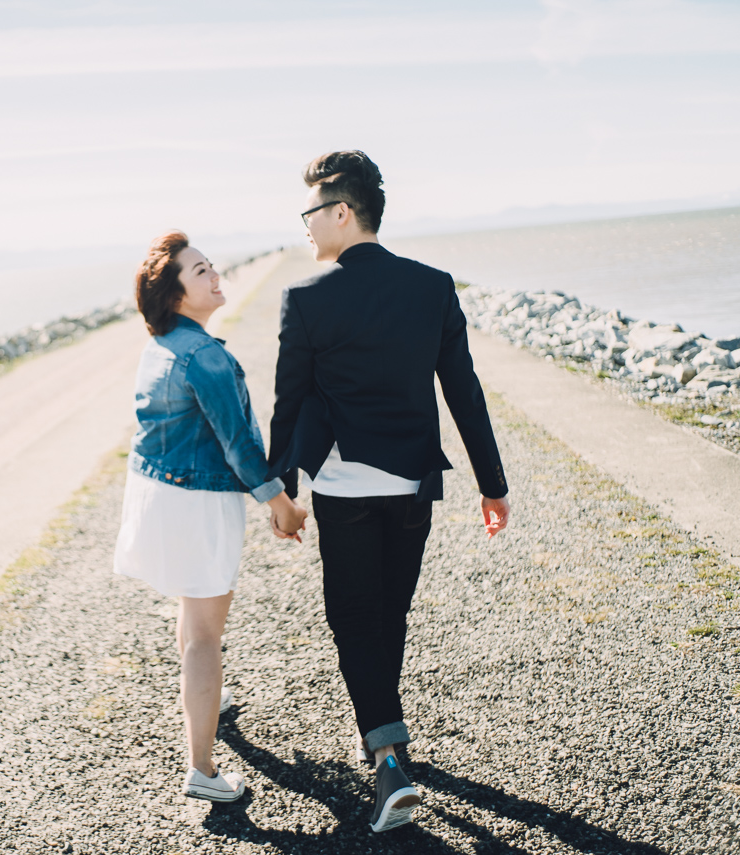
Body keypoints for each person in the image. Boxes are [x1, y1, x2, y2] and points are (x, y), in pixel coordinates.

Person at [268, 151, 511, 833]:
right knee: (389, 613)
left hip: (344, 489)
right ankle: (385, 730)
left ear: (342, 212)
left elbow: (288, 405)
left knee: (352, 619)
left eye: (311, 213)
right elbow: (464, 392)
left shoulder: (307, 297)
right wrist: (493, 485)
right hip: (412, 487)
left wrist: (281, 491)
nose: (306, 228)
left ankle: (389, 760)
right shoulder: (432, 286)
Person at [114, 230, 309, 803]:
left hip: (159, 495)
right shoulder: (205, 355)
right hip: (195, 504)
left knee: (192, 611)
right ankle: (201, 768)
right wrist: (284, 507)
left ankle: (210, 699)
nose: (215, 274)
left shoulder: (163, 345)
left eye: (210, 265)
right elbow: (240, 446)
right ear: (175, 295)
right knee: (205, 634)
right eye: (200, 271)